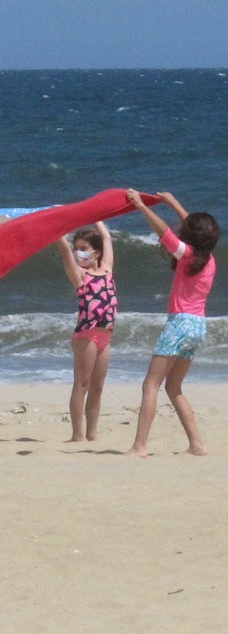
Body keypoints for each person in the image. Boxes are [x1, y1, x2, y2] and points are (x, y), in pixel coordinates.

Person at [126, 190, 220, 457]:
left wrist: (142, 206)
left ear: (189, 237)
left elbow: (164, 232)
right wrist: (173, 202)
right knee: (174, 387)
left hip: (179, 324)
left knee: (151, 384)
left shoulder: (187, 255)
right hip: (198, 327)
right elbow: (193, 228)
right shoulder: (209, 259)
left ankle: (140, 446)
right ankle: (197, 444)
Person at [55, 221, 116, 442]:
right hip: (86, 335)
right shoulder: (80, 275)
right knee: (82, 384)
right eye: (77, 248)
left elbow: (107, 238)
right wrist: (56, 230)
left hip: (105, 335)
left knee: (97, 387)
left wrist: (97, 216)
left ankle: (92, 434)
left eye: (83, 248)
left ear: (96, 252)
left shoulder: (107, 269)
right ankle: (77, 435)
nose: (79, 252)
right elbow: (63, 250)